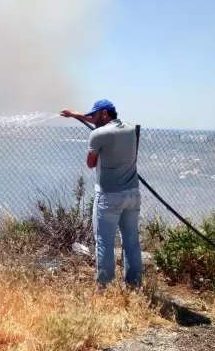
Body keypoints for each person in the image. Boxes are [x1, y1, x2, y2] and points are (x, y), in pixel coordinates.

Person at [60, 99, 142, 292]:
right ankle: (135, 286)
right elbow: (96, 121)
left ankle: (104, 289)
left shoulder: (97, 135)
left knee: (104, 242)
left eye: (94, 115)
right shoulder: (129, 128)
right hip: (132, 194)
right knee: (131, 240)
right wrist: (74, 114)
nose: (91, 119)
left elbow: (90, 163)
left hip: (108, 196)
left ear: (104, 114)